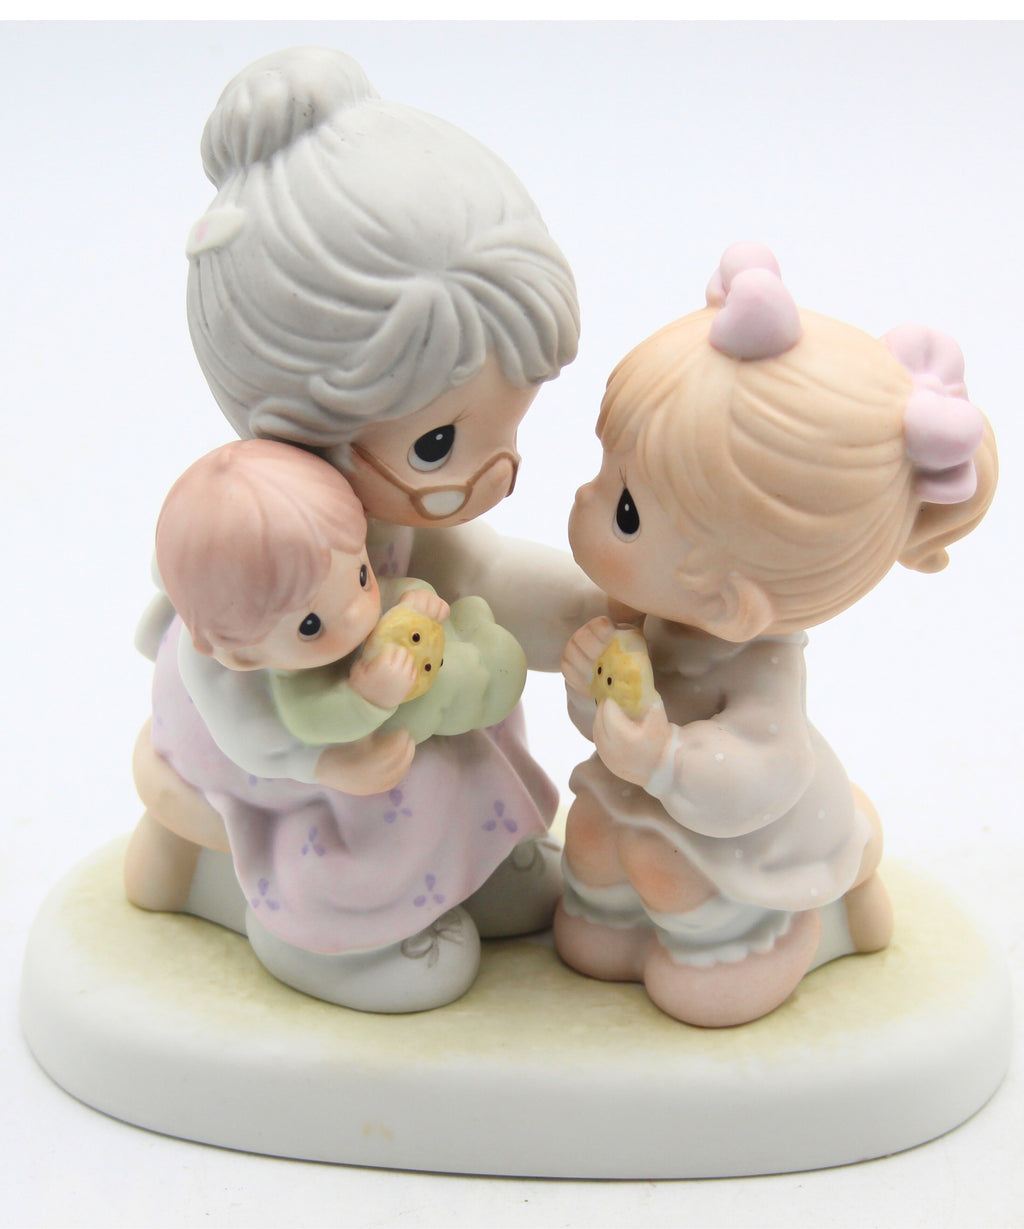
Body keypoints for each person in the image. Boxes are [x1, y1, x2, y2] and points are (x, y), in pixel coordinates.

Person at [125, 46, 599, 1013]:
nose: (495, 471)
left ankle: (463, 859)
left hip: (399, 706)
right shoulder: (252, 550)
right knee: (385, 782)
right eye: (439, 443)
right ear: (301, 418)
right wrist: (324, 757)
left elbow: (484, 572)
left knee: (450, 736)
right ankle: (316, 920)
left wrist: (599, 611)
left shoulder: (387, 525)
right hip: (286, 749)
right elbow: (234, 697)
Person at [557, 242, 998, 1027]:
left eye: (625, 510)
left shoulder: (760, 673)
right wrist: (593, 689)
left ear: (732, 605)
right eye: (606, 473)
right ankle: (612, 920)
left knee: (663, 867)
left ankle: (785, 936)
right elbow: (609, 719)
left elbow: (765, 767)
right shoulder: (655, 616)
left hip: (736, 834)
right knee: (590, 839)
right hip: (639, 794)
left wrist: (663, 759)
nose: (584, 502)